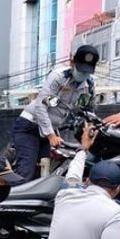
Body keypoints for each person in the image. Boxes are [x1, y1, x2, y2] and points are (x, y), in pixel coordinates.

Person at [12, 44, 99, 183]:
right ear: (72, 62)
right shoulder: (58, 77)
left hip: (48, 132)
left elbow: (88, 111)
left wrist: (92, 129)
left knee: (41, 175)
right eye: (81, 70)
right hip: (30, 126)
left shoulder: (88, 85)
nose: (83, 74)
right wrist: (51, 135)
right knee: (25, 172)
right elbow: (41, 106)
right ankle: (10, 203)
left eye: (87, 71)